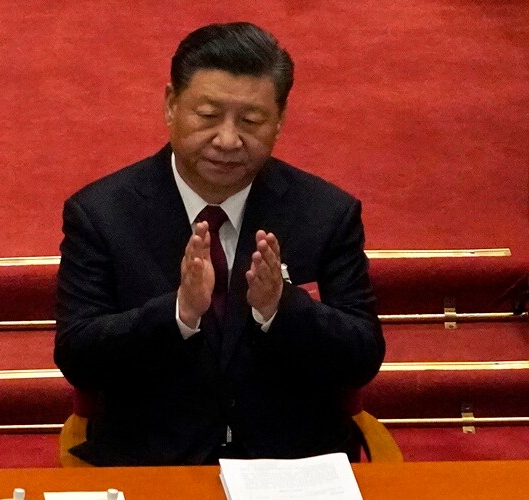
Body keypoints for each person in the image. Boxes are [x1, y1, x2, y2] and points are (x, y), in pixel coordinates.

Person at [54, 21, 384, 466]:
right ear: (171, 105)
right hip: (152, 464)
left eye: (250, 121)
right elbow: (78, 356)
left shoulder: (325, 213)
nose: (227, 140)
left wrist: (281, 307)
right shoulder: (102, 214)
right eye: (208, 116)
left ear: (280, 120)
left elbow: (363, 357)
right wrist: (178, 314)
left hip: (291, 467)